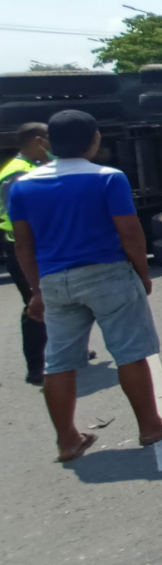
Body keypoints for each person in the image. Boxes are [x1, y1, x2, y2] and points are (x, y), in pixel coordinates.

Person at [10, 110, 162, 462]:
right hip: (107, 273)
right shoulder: (108, 178)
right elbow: (130, 231)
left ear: (50, 143)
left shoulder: (24, 185)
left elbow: (23, 244)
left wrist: (37, 290)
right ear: (94, 139)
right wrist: (142, 274)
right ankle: (150, 425)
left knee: (59, 361)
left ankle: (67, 440)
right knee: (130, 351)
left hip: (54, 280)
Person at [0, 122, 51, 385]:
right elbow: (15, 214)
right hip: (23, 246)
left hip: (35, 243)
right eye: (48, 140)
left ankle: (57, 353)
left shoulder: (31, 168)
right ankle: (36, 367)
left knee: (52, 300)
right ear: (38, 141)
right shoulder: (17, 173)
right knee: (34, 304)